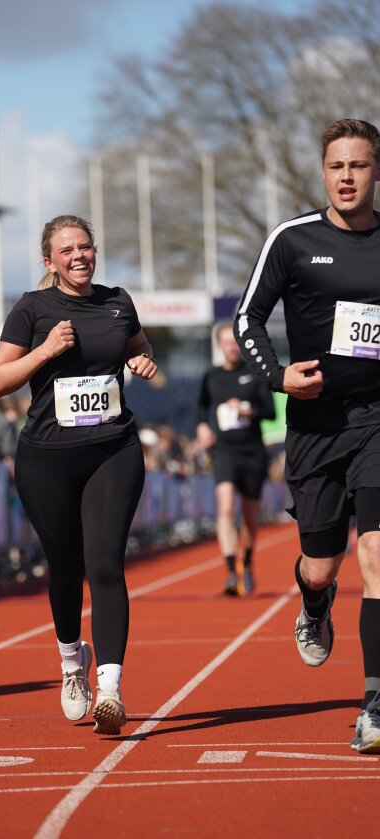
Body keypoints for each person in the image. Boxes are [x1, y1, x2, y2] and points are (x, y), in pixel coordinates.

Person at [233, 118, 380, 754]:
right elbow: (247, 318)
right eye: (336, 166)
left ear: (376, 171)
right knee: (321, 565)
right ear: (324, 173)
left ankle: (375, 702)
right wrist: (279, 378)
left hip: (376, 419)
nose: (347, 177)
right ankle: (315, 603)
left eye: (359, 165)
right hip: (316, 427)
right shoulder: (292, 239)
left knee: (377, 556)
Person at [0, 214, 157, 735]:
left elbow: (139, 345)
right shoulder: (32, 308)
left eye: (85, 247)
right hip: (47, 456)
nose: (79, 256)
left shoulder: (117, 302)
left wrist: (143, 360)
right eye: (67, 250)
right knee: (65, 569)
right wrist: (45, 350)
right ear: (50, 261)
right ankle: (71, 661)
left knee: (105, 564)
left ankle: (110, 688)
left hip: (113, 448)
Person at [196, 323, 275, 595]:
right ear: (220, 345)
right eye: (227, 343)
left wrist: (247, 410)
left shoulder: (254, 374)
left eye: (235, 343)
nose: (231, 347)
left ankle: (248, 562)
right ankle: (231, 571)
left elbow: (271, 412)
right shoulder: (212, 376)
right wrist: (202, 426)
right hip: (224, 451)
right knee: (226, 507)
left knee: (250, 517)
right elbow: (201, 407)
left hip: (252, 452)